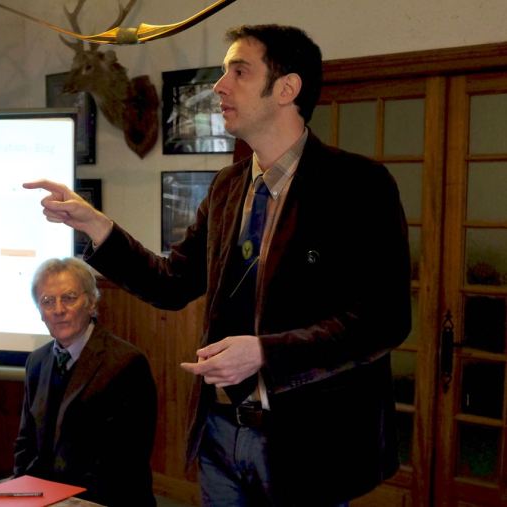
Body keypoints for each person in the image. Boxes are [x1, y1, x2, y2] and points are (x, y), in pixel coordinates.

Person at [24, 24, 411, 506]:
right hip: (220, 434)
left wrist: (265, 352)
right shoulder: (228, 187)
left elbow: (384, 319)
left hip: (309, 444)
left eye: (239, 72)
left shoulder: (358, 185)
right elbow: (171, 284)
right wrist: (96, 225)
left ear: (287, 88)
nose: (219, 86)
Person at [0, 257, 157, 507]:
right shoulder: (37, 361)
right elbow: (25, 442)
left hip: (98, 496)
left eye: (69, 298)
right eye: (48, 301)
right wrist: (21, 491)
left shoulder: (126, 363)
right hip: (39, 489)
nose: (58, 309)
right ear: (40, 312)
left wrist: (49, 497)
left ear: (91, 302)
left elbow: (126, 461)